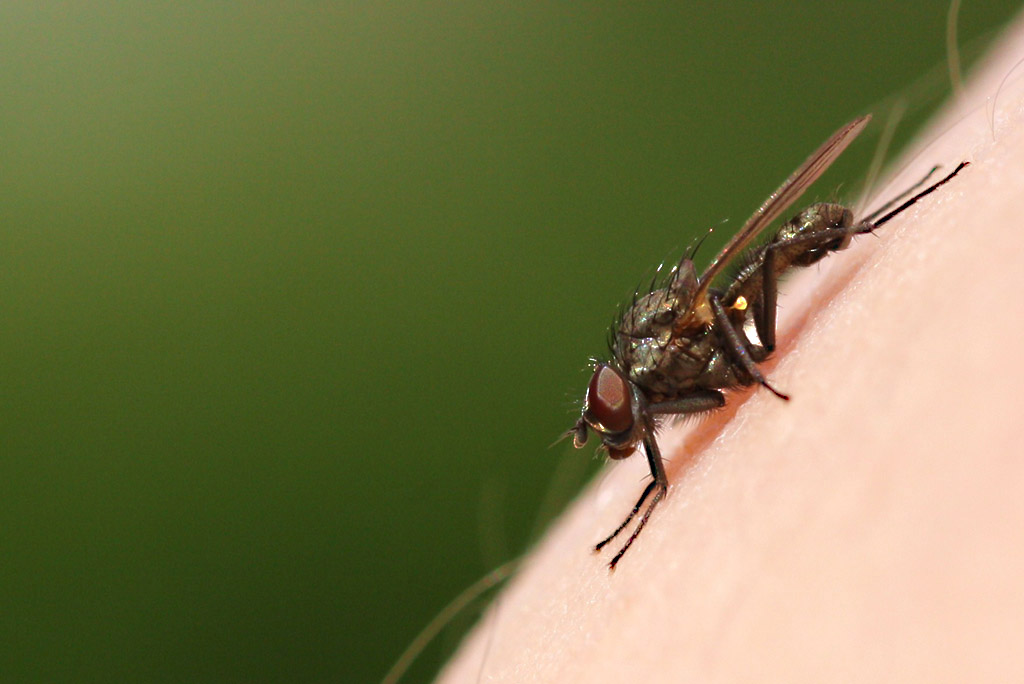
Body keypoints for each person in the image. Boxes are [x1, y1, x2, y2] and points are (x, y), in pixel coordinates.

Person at [437, 15, 1024, 684]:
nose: (615, 421)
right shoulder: (651, 386)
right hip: (733, 335)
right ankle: (907, 197)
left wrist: (752, 387)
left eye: (611, 408)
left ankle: (904, 203)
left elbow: (715, 347)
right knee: (757, 293)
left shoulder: (662, 362)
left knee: (776, 252)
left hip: (744, 313)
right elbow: (706, 395)